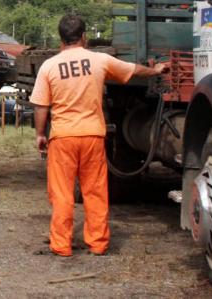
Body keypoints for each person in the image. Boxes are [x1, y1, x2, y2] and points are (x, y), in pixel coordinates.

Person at [30, 13, 167, 257]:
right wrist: (155, 69)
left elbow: (41, 105)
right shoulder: (99, 60)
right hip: (93, 135)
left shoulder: (49, 66)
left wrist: (41, 134)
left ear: (61, 38)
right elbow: (133, 70)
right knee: (95, 190)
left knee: (61, 193)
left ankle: (61, 245)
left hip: (62, 137)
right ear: (84, 37)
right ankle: (98, 243)